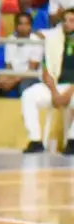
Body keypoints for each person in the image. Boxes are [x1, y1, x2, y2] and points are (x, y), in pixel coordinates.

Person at [21, 9, 74, 154]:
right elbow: (46, 71)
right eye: (65, 20)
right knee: (28, 95)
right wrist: (55, 93)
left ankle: (72, 141)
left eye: (72, 21)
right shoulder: (54, 39)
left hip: (72, 90)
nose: (67, 24)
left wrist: (68, 94)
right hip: (55, 86)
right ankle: (35, 140)